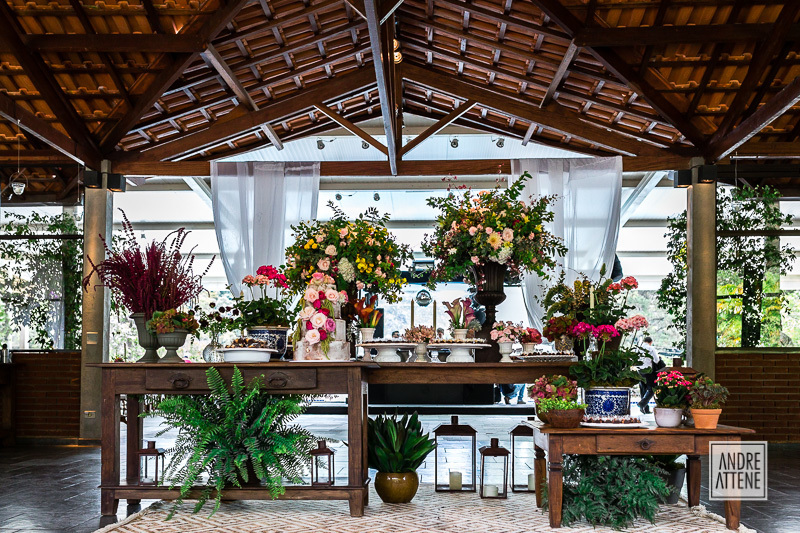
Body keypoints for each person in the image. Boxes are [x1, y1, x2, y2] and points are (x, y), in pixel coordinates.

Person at [636, 336, 661, 414]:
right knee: (652, 388)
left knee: (643, 388)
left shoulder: (638, 348)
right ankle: (642, 403)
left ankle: (645, 409)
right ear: (651, 342)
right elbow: (656, 360)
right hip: (648, 371)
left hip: (640, 371)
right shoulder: (651, 348)